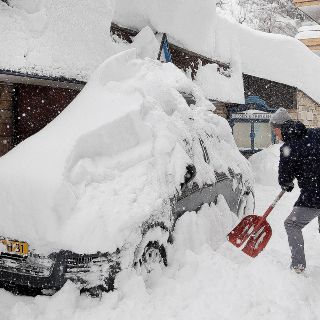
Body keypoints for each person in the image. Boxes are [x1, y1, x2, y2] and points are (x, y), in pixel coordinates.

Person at [269, 107, 320, 274]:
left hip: (314, 195)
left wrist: (286, 184)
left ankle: (298, 266)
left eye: (275, 130)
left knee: (291, 224)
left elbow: (285, 179)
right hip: (315, 191)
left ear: (282, 127)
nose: (275, 134)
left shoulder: (287, 148)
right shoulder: (315, 133)